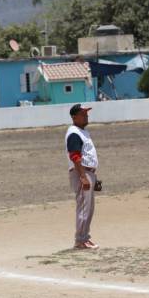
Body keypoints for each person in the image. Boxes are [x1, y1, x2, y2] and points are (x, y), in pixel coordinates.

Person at [65, 104, 100, 250]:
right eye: (83, 114)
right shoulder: (74, 133)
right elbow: (75, 156)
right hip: (81, 172)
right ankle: (80, 240)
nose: (86, 116)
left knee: (88, 208)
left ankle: (85, 238)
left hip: (87, 172)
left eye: (86, 114)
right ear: (74, 117)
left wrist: (92, 176)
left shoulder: (82, 132)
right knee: (84, 208)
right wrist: (83, 177)